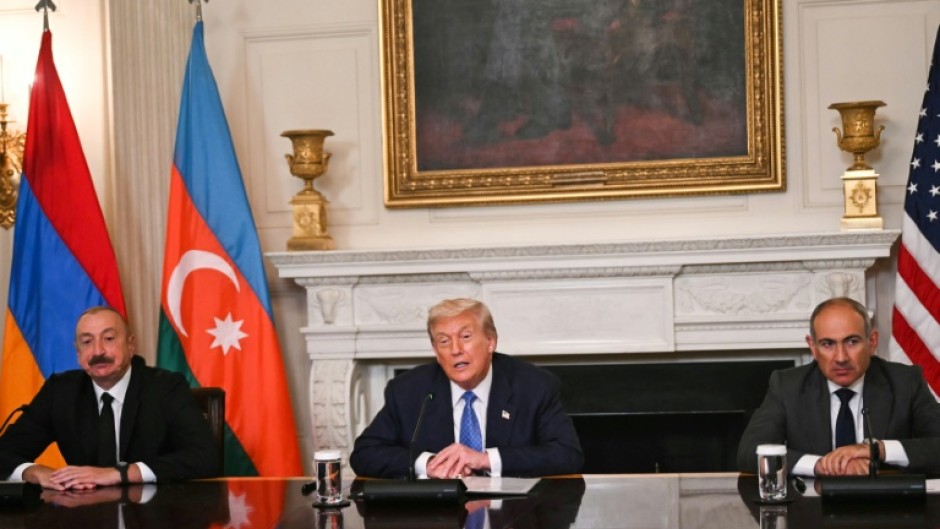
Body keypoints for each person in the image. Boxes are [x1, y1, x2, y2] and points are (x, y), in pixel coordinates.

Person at [350, 298, 583, 479]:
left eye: (466, 336)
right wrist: (428, 464)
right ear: (435, 351)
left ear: (491, 341)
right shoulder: (408, 390)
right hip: (438, 517)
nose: (455, 349)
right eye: (444, 341)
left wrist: (485, 459)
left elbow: (567, 454)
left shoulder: (534, 385)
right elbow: (364, 453)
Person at [0, 306, 219, 490]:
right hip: (86, 518)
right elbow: (5, 452)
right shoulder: (61, 392)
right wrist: (35, 472)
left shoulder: (165, 387)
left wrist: (119, 473)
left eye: (109, 338)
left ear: (131, 345)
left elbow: (205, 456)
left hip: (157, 514)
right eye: (87, 342)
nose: (98, 351)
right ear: (78, 353)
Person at [737, 297, 940, 476]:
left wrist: (877, 449)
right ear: (813, 347)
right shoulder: (787, 386)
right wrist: (820, 464)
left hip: (888, 507)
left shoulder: (905, 382)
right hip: (812, 509)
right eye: (828, 344)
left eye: (852, 342)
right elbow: (750, 452)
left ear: (872, 342)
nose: (841, 358)